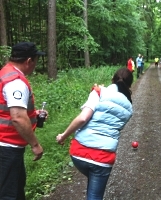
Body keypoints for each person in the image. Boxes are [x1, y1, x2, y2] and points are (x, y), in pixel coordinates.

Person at [56, 68, 133, 200]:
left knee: (92, 175)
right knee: (95, 195)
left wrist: (63, 136)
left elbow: (82, 118)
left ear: (112, 80)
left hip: (79, 153)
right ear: (129, 85)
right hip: (103, 158)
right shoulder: (129, 108)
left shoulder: (99, 92)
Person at [0, 42, 45, 199]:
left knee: (16, 188)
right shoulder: (16, 82)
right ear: (28, 61)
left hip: (7, 145)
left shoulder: (5, 73)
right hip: (7, 146)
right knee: (9, 193)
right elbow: (18, 117)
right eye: (36, 60)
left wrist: (34, 114)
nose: (35, 65)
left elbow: (6, 109)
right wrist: (35, 145)